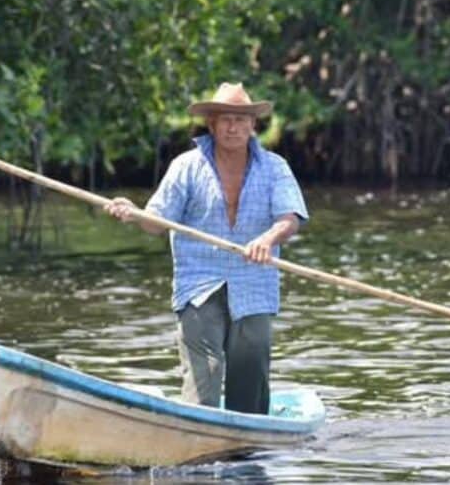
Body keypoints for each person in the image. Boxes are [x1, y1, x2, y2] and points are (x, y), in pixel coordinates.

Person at [104, 82, 308, 415]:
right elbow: (157, 222)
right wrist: (133, 214)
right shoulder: (186, 166)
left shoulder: (275, 167)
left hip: (254, 285)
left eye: (241, 120)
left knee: (251, 376)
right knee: (205, 378)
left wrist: (267, 239)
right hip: (199, 286)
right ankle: (199, 436)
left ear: (252, 125)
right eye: (225, 119)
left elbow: (290, 218)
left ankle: (248, 439)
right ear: (212, 124)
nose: (233, 127)